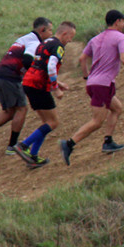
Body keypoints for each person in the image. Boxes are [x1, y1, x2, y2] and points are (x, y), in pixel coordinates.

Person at [60, 10, 124, 166]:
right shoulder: (120, 37)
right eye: (123, 21)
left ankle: (108, 141)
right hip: (102, 85)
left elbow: (82, 58)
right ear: (117, 22)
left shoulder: (95, 38)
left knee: (117, 108)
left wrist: (86, 76)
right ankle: (69, 143)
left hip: (95, 83)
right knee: (97, 121)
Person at [0, 17, 52, 157]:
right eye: (50, 30)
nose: (51, 34)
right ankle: (12, 146)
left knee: (10, 111)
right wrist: (36, 74)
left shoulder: (24, 38)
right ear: (42, 30)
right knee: (21, 109)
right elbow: (28, 59)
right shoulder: (34, 42)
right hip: (11, 77)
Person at [13, 21, 77, 167]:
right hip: (39, 85)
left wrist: (58, 83)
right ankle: (23, 145)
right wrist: (56, 88)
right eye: (70, 37)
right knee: (53, 122)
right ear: (65, 33)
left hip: (29, 82)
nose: (70, 40)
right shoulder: (58, 46)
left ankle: (33, 156)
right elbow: (51, 66)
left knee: (46, 122)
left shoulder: (44, 42)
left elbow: (41, 64)